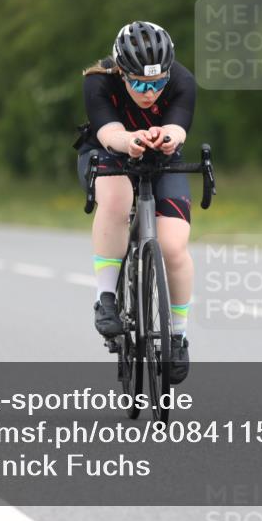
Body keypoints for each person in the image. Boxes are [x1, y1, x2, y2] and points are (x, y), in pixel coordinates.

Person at [76, 21, 196, 383]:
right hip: (108, 152)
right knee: (115, 199)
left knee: (173, 246)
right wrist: (128, 140)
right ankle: (107, 299)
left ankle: (177, 336)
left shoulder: (182, 80)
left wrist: (167, 136)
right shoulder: (98, 80)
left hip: (163, 155)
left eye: (158, 83)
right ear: (121, 71)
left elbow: (178, 126)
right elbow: (108, 131)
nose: (150, 93)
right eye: (140, 84)